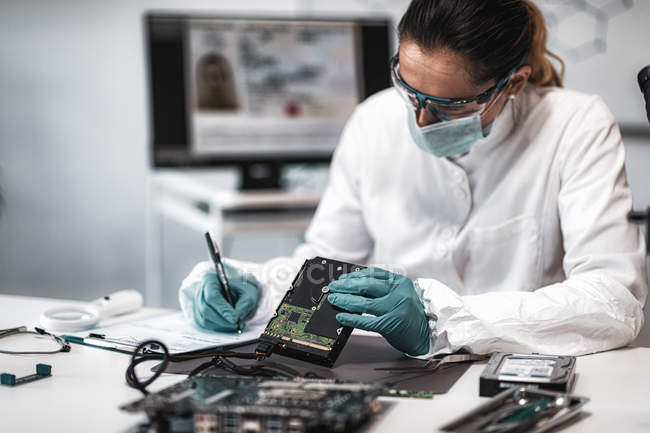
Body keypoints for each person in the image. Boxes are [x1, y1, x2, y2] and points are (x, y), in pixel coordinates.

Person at [179, 0, 648, 357]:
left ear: (513, 84)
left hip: (517, 375)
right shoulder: (373, 121)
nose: (420, 120)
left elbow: (614, 301)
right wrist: (259, 291)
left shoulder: (575, 124)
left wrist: (439, 318)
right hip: (392, 372)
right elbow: (327, 265)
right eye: (408, 89)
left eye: (449, 105)